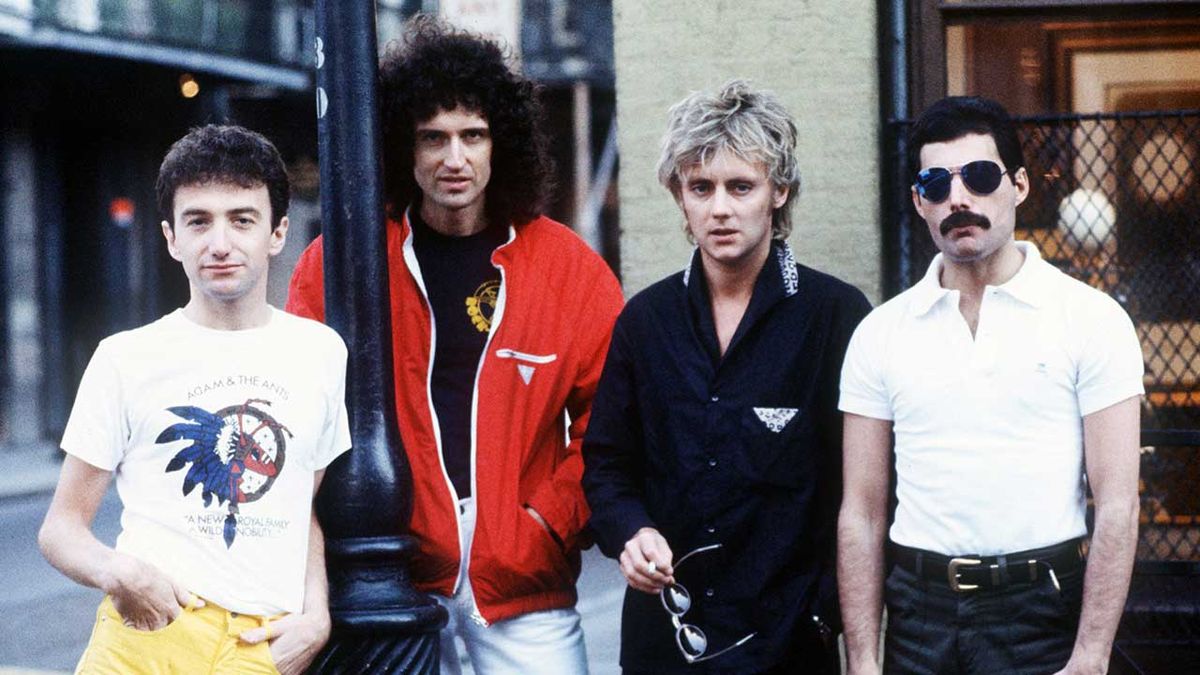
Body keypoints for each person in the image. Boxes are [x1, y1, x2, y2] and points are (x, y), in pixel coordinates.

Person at [286, 16, 623, 675]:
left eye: (474, 135)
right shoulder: (344, 264)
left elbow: (613, 422)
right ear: (401, 149)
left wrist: (547, 521)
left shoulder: (568, 269)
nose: (454, 158)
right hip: (396, 574)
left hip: (525, 585)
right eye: (432, 138)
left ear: (503, 144)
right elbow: (299, 416)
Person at [837, 96, 1144, 674]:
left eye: (979, 177)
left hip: (1040, 612)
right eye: (935, 183)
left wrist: (1092, 655)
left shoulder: (1090, 319)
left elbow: (1119, 504)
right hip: (918, 615)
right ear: (918, 202)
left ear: (1020, 186)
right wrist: (862, 660)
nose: (958, 198)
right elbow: (862, 512)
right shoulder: (880, 333)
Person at [582, 79, 871, 674]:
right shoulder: (645, 321)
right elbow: (607, 463)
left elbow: (863, 489)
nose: (720, 208)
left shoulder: (834, 315)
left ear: (778, 192)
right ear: (679, 197)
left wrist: (825, 612)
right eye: (700, 188)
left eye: (741, 186)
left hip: (787, 642)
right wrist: (630, 533)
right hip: (666, 637)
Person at [38, 124, 350, 674]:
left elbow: (302, 505)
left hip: (259, 648)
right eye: (199, 221)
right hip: (146, 636)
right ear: (171, 237)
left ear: (277, 233)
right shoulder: (125, 358)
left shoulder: (321, 353)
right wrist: (120, 573)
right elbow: (61, 529)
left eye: (242, 220)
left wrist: (317, 614)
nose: (221, 243)